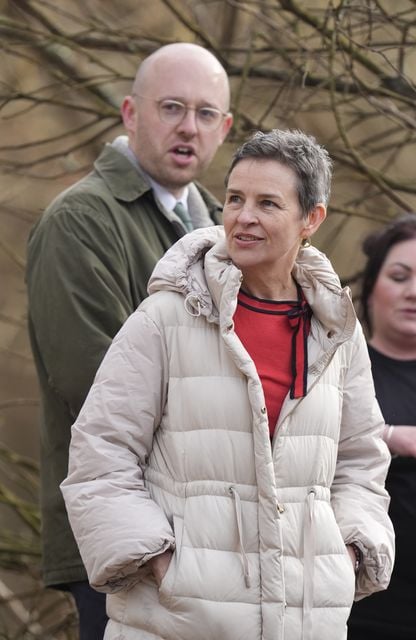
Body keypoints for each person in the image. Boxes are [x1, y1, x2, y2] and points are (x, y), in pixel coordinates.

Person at [60, 129, 394, 640]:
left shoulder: (337, 331)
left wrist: (344, 556)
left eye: (267, 203)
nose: (243, 217)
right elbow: (100, 451)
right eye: (235, 198)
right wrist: (162, 565)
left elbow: (362, 461)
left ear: (312, 219)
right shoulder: (165, 318)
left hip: (307, 622)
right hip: (176, 622)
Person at [25, 42, 233, 639]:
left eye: (205, 113)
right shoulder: (81, 220)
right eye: (171, 107)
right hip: (122, 535)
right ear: (129, 113)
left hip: (213, 532)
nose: (188, 127)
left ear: (225, 128)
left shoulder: (220, 227)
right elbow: (95, 386)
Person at [347, 211, 416, 640]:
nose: (415, 292)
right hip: (354, 615)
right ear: (371, 287)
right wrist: (388, 436)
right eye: (399, 276)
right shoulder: (339, 370)